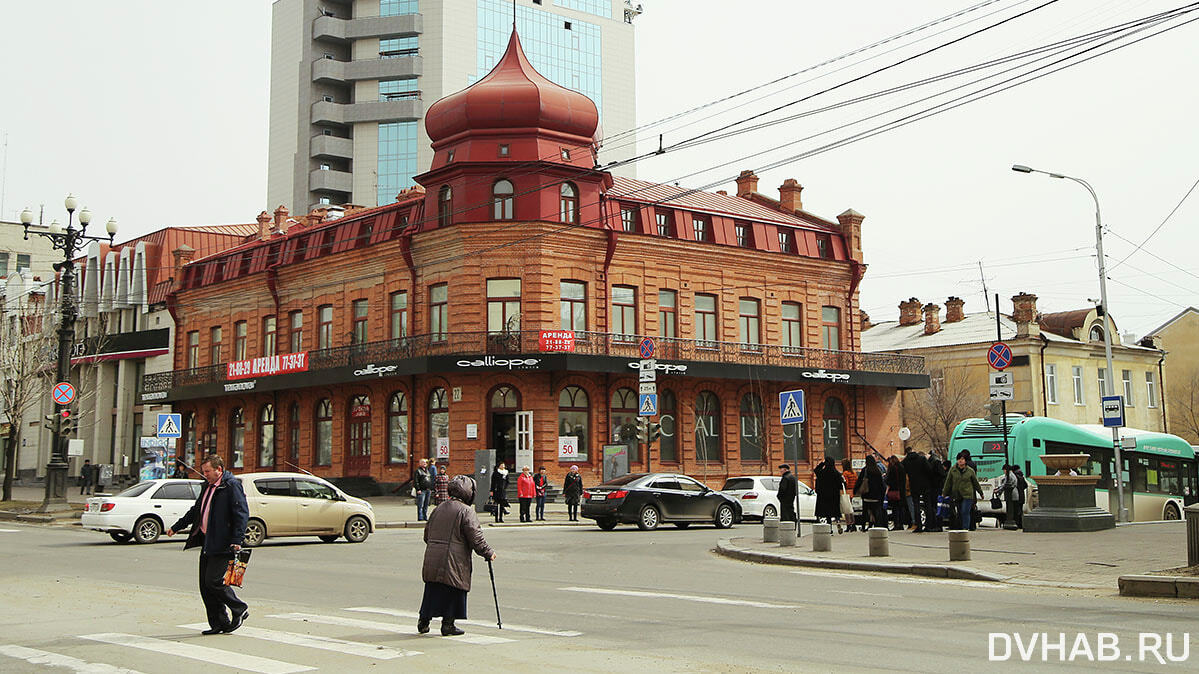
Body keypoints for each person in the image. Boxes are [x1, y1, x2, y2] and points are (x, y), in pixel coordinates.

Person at [165, 454, 249, 635]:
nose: (205, 475)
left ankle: (239, 607)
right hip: (207, 541)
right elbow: (196, 510)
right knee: (205, 585)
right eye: (203, 472)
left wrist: (237, 540)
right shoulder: (207, 486)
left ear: (219, 470)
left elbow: (241, 514)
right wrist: (177, 527)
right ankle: (219, 623)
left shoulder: (231, 486)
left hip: (224, 542)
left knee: (214, 581)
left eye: (208, 471)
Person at [418, 475, 497, 637]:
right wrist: (488, 552)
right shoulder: (466, 511)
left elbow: (427, 535)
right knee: (453, 590)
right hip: (454, 559)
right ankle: (448, 624)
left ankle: (423, 621)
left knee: (432, 590)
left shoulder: (438, 508)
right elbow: (476, 537)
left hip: (433, 557)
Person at [943, 453, 984, 531]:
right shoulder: (953, 470)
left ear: (965, 461)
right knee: (960, 512)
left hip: (967, 494)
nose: (960, 461)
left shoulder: (970, 471)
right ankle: (961, 527)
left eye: (962, 459)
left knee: (965, 511)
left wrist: (980, 492)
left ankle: (965, 528)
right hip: (957, 494)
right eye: (959, 459)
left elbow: (975, 483)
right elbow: (948, 482)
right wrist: (944, 493)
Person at [902, 448, 931, 533]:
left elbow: (903, 469)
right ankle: (928, 525)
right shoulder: (922, 459)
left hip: (913, 485)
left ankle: (918, 525)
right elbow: (929, 469)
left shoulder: (906, 461)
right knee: (927, 504)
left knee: (916, 505)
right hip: (925, 484)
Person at [813, 457, 843, 533]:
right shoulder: (837, 473)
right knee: (835, 510)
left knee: (827, 513)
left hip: (824, 495)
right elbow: (840, 485)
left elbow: (815, 470)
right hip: (834, 495)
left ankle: (829, 528)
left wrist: (822, 463)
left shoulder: (822, 472)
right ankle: (838, 521)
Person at [859, 459, 886, 529]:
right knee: (876, 510)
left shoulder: (865, 470)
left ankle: (863, 526)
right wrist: (882, 495)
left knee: (865, 511)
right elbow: (881, 484)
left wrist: (859, 492)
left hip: (866, 495)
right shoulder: (877, 471)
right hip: (876, 496)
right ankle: (877, 525)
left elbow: (859, 481)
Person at [885, 455, 907, 531]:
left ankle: (896, 524)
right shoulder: (901, 467)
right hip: (901, 490)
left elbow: (888, 481)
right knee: (901, 508)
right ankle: (901, 524)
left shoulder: (892, 468)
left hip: (894, 490)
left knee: (895, 509)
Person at [840, 459, 858, 532]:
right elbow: (856, 481)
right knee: (851, 509)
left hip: (846, 491)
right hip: (852, 491)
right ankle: (853, 524)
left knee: (847, 509)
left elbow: (846, 483)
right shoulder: (854, 472)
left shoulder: (845, 473)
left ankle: (849, 525)